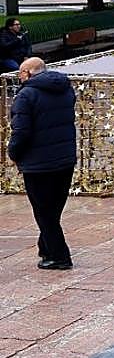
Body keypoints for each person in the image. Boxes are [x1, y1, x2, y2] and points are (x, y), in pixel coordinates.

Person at [7, 57, 76, 270]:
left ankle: (60, 256)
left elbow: (21, 131)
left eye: (20, 73)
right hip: (65, 158)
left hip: (39, 163)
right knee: (53, 209)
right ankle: (45, 248)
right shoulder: (65, 88)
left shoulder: (26, 95)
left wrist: (13, 153)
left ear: (27, 73)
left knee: (44, 212)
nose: (19, 77)